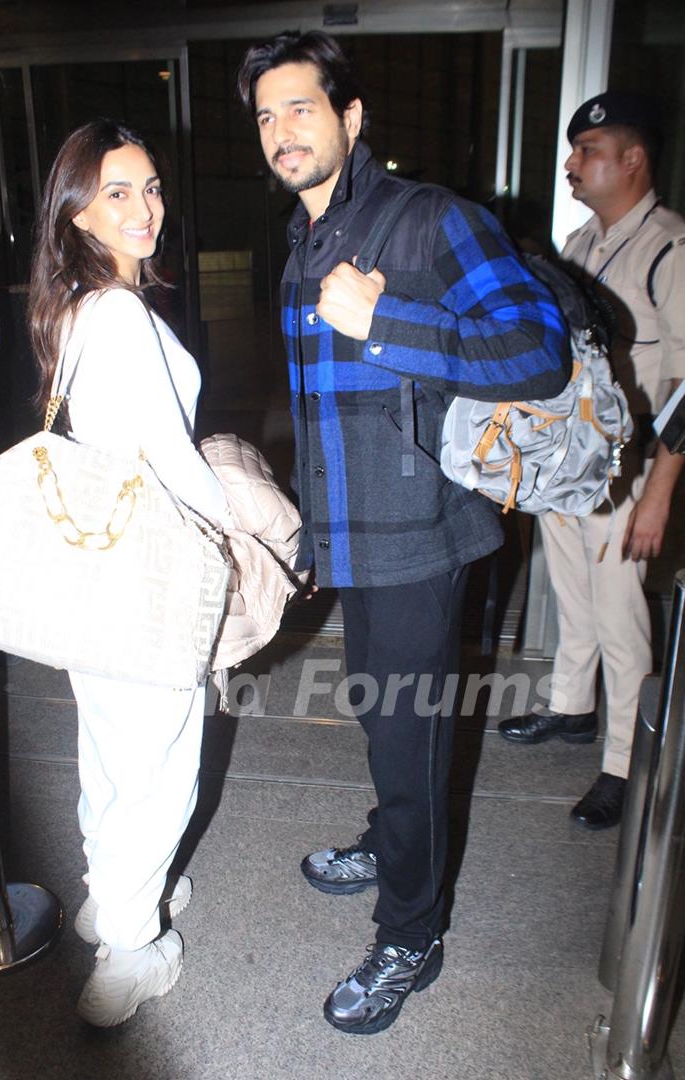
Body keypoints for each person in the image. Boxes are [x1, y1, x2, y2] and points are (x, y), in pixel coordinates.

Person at [236, 30, 570, 1036]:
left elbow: (536, 352)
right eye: (265, 116)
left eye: (302, 108)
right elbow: (328, 410)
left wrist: (386, 324)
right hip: (358, 536)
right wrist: (310, 529)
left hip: (424, 537)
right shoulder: (303, 240)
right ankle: (393, 838)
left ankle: (412, 930)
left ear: (351, 117)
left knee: (412, 733)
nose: (282, 131)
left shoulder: (432, 222)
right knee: (386, 722)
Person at [28, 119, 230, 1027]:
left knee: (111, 752)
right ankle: (129, 950)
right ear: (76, 210)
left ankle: (114, 893)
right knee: (157, 762)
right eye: (117, 191)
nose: (145, 207)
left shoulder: (70, 309)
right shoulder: (116, 313)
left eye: (150, 187)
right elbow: (173, 462)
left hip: (94, 566)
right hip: (147, 568)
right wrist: (242, 541)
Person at [499, 92, 685, 830]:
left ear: (632, 160)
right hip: (576, 455)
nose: (572, 164)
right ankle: (572, 708)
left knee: (619, 616)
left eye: (587, 150)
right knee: (572, 596)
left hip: (633, 460)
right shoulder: (579, 243)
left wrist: (659, 492)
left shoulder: (670, 246)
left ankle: (623, 762)